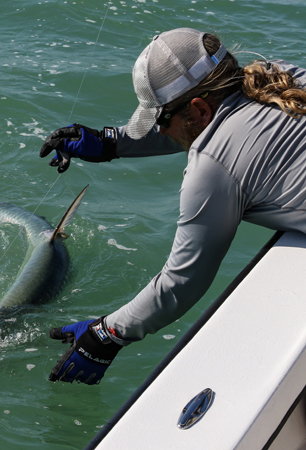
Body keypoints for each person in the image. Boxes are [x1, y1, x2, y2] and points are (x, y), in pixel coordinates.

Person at [40, 27, 306, 385]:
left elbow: (183, 281)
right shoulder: (282, 76)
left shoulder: (212, 168)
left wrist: (108, 335)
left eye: (161, 120)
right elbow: (220, 125)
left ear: (198, 108)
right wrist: (111, 143)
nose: (161, 132)